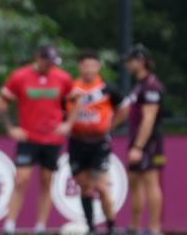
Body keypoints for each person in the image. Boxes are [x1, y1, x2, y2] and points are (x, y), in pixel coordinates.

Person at [0, 45, 75, 235]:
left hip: (53, 138)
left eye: (53, 62)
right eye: (47, 61)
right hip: (29, 137)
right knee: (21, 179)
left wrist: (68, 124)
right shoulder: (20, 76)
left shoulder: (62, 77)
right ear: (38, 57)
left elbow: (77, 100)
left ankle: (40, 227)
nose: (50, 65)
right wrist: (10, 127)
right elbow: (2, 101)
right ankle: (9, 226)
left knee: (47, 180)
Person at [67, 50, 129, 235]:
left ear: (98, 67)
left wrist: (110, 126)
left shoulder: (106, 88)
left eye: (92, 65)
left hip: (99, 143)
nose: (89, 69)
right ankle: (91, 228)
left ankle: (111, 227)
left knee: (101, 186)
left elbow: (125, 107)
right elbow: (59, 109)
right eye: (85, 65)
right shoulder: (71, 89)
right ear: (80, 67)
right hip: (77, 143)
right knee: (85, 187)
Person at [113, 44, 165, 235]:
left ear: (140, 61)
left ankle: (154, 229)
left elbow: (149, 119)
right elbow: (126, 112)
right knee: (134, 180)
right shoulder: (139, 86)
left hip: (148, 143)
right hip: (136, 141)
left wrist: (139, 146)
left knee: (150, 181)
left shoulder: (152, 85)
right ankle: (134, 227)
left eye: (130, 61)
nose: (127, 64)